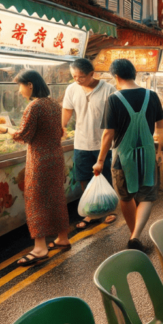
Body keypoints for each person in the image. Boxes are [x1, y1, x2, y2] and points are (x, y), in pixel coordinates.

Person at [0, 70, 69, 265]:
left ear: (30, 85)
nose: (19, 91)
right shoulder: (53, 104)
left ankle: (40, 248)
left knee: (36, 200)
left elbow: (22, 136)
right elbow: (59, 131)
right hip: (55, 157)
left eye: (20, 86)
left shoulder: (34, 106)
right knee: (56, 196)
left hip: (40, 160)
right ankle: (62, 238)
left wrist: (4, 129)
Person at [95, 59, 163, 251]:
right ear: (134, 74)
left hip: (122, 157)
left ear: (116, 77)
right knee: (147, 196)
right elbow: (161, 126)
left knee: (125, 197)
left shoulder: (113, 99)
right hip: (148, 155)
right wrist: (160, 150)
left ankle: (133, 234)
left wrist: (100, 161)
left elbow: (108, 134)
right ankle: (136, 236)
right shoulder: (152, 96)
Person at [62, 58, 118, 231]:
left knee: (104, 176)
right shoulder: (71, 89)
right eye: (74, 76)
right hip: (81, 142)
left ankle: (109, 209)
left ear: (92, 74)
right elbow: (67, 110)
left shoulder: (109, 89)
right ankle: (91, 211)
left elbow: (114, 118)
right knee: (83, 177)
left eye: (81, 77)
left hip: (103, 142)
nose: (77, 80)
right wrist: (61, 127)